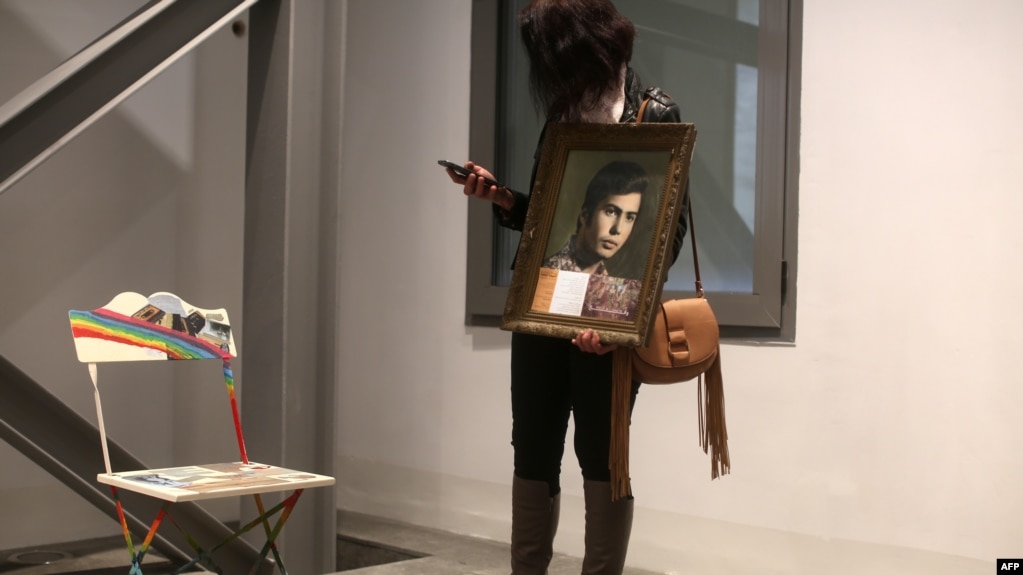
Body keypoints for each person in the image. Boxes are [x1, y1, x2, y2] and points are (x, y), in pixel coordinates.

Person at [445, 1, 688, 573]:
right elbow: (549, 222)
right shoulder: (563, 113)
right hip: (545, 307)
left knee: (602, 459)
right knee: (532, 447)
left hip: (610, 320)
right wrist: (503, 198)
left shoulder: (654, 113)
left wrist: (616, 323)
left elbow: (665, 236)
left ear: (589, 46)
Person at [543, 160, 649, 278]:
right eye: (611, 212)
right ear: (585, 214)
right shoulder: (549, 273)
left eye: (629, 217)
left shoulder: (609, 288)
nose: (618, 229)